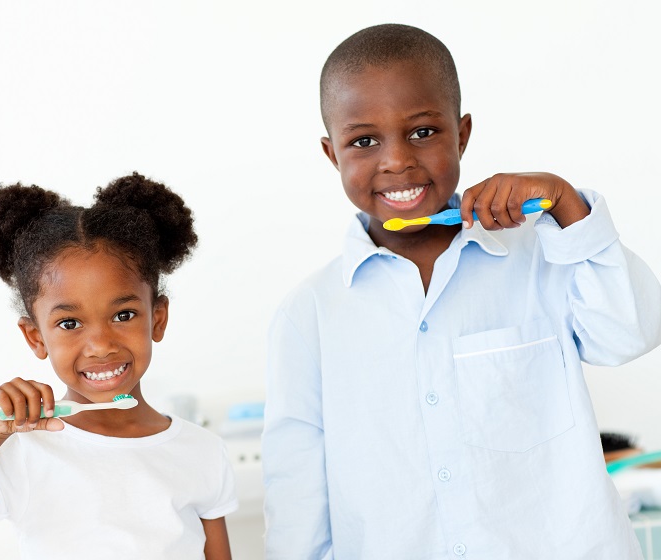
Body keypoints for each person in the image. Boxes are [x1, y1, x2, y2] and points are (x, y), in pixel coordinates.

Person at [261, 23, 661, 559]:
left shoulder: (545, 253)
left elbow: (630, 333)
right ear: (332, 154)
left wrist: (567, 206)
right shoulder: (307, 315)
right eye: (363, 141)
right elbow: (295, 492)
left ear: (462, 132)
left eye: (423, 132)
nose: (397, 159)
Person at [0, 172, 237, 559]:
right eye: (70, 323)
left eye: (124, 315)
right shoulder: (25, 448)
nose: (100, 345)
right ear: (36, 338)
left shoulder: (202, 452)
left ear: (157, 318)